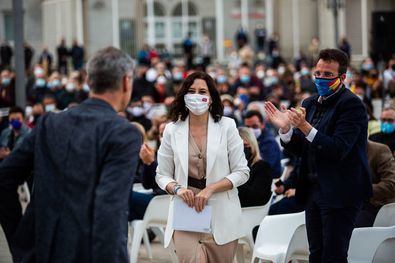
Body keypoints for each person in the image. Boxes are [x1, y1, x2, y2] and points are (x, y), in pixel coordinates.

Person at [0, 47, 141, 262]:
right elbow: (109, 210)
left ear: (88, 81)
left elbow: (4, 177)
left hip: (39, 251)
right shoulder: (123, 133)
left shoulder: (50, 123)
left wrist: (19, 237)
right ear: (125, 82)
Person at [265, 48, 372, 262]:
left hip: (341, 191)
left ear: (342, 78)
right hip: (313, 190)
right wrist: (286, 130)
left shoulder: (352, 106)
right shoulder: (309, 103)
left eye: (327, 75)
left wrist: (304, 127)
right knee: (315, 253)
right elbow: (304, 149)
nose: (321, 78)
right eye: (318, 73)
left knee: (333, 255)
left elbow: (337, 149)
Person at [156, 72, 249, 262]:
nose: (196, 95)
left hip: (222, 213)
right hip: (186, 211)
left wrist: (211, 189)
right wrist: (177, 189)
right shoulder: (172, 130)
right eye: (191, 91)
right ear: (184, 96)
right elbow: (162, 174)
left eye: (202, 91)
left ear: (211, 98)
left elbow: (242, 172)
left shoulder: (227, 126)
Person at [356, 141, 395, 227]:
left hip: (376, 205)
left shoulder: (379, 150)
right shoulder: (341, 152)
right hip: (351, 205)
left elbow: (391, 184)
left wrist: (361, 190)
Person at [237, 127, 272, 207]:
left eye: (245, 145)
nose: (242, 150)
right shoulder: (229, 167)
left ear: (252, 144)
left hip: (249, 211)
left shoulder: (262, 167)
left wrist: (237, 176)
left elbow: (257, 198)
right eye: (238, 147)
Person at [243, 110, 282, 179]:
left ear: (262, 125)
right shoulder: (245, 140)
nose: (250, 130)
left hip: (270, 180)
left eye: (254, 126)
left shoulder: (269, 142)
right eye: (247, 127)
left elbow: (264, 167)